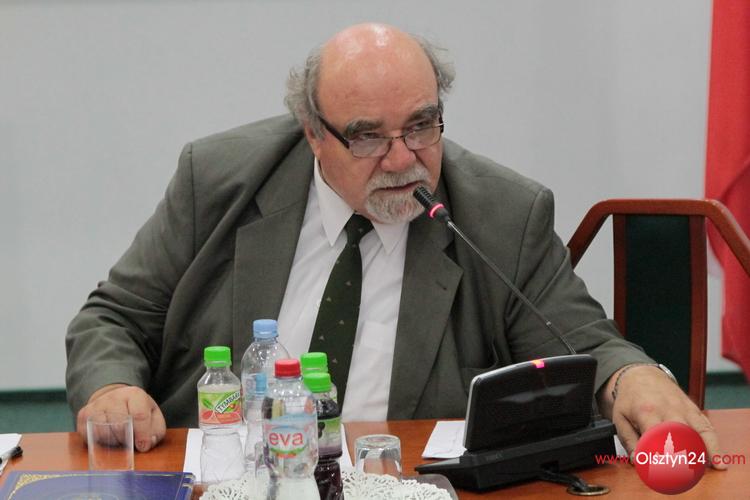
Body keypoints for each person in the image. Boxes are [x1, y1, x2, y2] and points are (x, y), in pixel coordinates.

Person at [66, 23, 724, 467]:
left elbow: (579, 338)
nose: (403, 158)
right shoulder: (218, 180)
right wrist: (112, 388)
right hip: (231, 480)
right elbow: (113, 318)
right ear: (312, 132)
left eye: (422, 125)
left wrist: (631, 377)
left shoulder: (502, 213)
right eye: (367, 136)